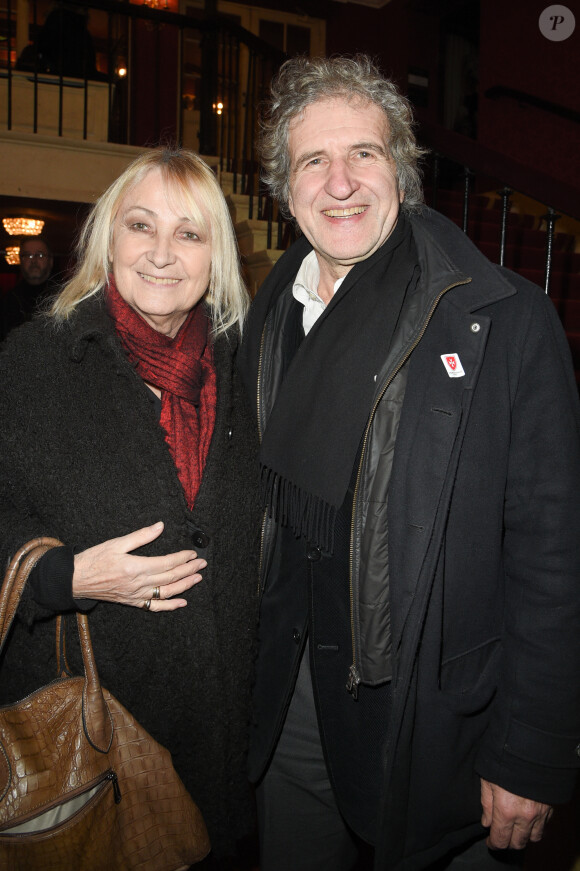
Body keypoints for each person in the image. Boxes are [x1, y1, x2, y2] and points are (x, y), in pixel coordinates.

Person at [237, 55, 580, 871]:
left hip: (436, 720)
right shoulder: (260, 320)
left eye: (365, 153)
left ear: (403, 173)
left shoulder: (504, 321)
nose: (341, 181)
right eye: (313, 160)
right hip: (290, 712)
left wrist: (531, 748)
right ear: (285, 189)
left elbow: (553, 556)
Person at [0, 147, 260, 867]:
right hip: (88, 746)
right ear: (108, 239)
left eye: (190, 232)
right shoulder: (35, 361)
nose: (163, 253)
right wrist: (66, 578)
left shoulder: (251, 370)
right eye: (141, 226)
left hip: (219, 736)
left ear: (218, 254)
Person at [0, 236, 54, 341]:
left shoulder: (63, 299)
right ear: (20, 261)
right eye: (28, 255)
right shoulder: (7, 302)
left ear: (50, 261)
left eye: (40, 255)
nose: (34, 261)